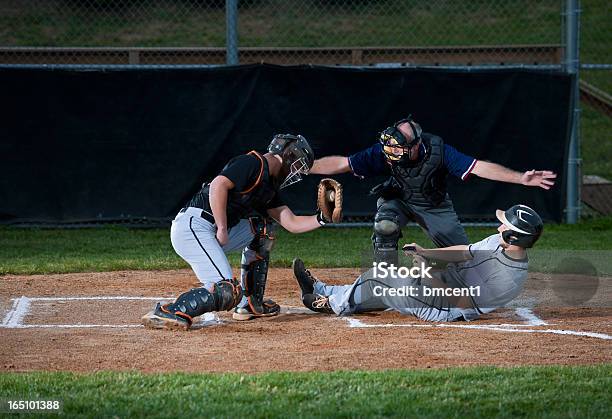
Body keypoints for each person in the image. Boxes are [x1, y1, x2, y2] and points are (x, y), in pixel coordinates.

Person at [142, 134, 338, 331]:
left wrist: (322, 218)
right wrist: (221, 227)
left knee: (263, 230)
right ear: (288, 157)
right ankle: (170, 311)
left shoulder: (268, 187)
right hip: (194, 227)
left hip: (211, 230)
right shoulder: (253, 163)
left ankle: (250, 304)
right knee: (227, 290)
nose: (295, 173)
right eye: (297, 165)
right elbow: (218, 185)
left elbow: (291, 222)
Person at [310, 116, 555, 263]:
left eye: (399, 148)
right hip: (400, 199)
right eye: (390, 148)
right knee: (385, 224)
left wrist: (521, 178)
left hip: (434, 205)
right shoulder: (385, 152)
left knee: (464, 260)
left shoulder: (439, 151)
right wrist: (305, 168)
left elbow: (479, 167)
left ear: (416, 145)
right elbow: (343, 163)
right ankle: (385, 277)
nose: (392, 152)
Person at [292, 204, 543, 322]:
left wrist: (426, 270)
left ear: (513, 236)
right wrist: (428, 253)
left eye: (505, 226)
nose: (499, 226)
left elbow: (462, 301)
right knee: (389, 280)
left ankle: (332, 304)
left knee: (381, 278)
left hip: (446, 309)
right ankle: (324, 290)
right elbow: (463, 252)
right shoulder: (500, 243)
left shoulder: (507, 278)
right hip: (443, 286)